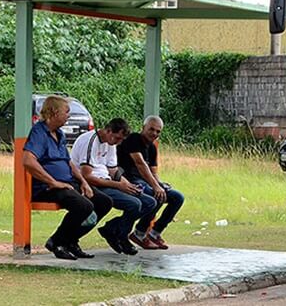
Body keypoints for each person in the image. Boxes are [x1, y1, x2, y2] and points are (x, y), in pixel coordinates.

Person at [22, 95, 112, 260]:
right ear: (55, 112)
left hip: (67, 183)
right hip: (47, 187)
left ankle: (71, 240)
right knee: (83, 206)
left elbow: (68, 162)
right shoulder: (39, 132)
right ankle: (57, 242)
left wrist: (83, 182)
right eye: (66, 112)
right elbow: (28, 161)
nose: (69, 116)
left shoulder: (60, 134)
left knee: (104, 202)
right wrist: (53, 182)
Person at [70, 118, 158, 255]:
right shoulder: (91, 141)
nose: (119, 142)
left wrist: (126, 184)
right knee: (134, 204)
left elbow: (113, 170)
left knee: (150, 202)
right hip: (92, 185)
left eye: (121, 140)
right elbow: (87, 176)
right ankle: (122, 236)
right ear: (108, 131)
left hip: (107, 181)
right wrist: (118, 185)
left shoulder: (110, 143)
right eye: (117, 138)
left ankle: (112, 229)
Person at [117, 115, 185, 250]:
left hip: (145, 182)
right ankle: (139, 233)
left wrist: (160, 185)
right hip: (129, 179)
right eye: (151, 129)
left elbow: (153, 172)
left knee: (177, 197)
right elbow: (140, 164)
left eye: (158, 131)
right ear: (143, 128)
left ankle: (155, 233)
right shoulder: (133, 139)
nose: (154, 133)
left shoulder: (152, 148)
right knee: (156, 194)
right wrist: (156, 187)